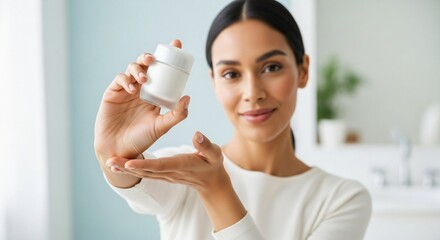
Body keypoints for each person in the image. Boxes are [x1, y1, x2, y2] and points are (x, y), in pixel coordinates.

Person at [94, 0, 372, 239]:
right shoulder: (182, 170)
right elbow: (124, 171)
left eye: (271, 67)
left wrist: (216, 187)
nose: (252, 93)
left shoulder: (342, 199)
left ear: (303, 70)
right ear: (214, 82)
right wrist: (112, 147)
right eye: (231, 74)